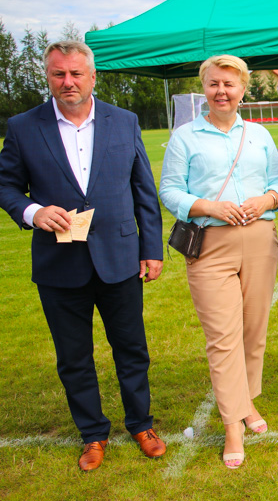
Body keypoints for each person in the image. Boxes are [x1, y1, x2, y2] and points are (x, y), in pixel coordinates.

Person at [0, 41, 166, 471]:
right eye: (59, 74)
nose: (68, 82)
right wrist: (33, 211)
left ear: (93, 77)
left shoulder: (124, 121)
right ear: (49, 77)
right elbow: (6, 186)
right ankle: (93, 433)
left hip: (119, 257)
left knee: (131, 348)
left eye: (76, 73)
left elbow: (143, 192)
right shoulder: (22, 126)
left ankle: (141, 424)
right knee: (74, 356)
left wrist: (151, 250)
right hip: (60, 265)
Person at [160, 54, 278, 468]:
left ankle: (246, 401)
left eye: (230, 85)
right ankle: (233, 424)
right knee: (223, 335)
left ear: (243, 89)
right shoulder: (185, 136)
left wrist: (266, 199)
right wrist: (208, 206)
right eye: (214, 84)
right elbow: (170, 191)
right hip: (210, 245)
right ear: (204, 88)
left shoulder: (259, 134)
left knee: (253, 331)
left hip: (259, 241)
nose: (222, 91)